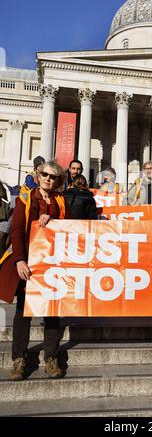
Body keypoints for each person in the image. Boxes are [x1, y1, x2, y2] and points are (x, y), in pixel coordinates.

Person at [0, 161, 72, 380]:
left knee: (52, 311)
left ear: (58, 180)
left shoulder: (60, 200)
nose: (48, 179)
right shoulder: (25, 197)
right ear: (38, 176)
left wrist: (53, 219)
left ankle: (51, 358)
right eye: (45, 175)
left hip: (52, 263)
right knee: (24, 311)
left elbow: (67, 228)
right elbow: (18, 229)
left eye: (53, 176)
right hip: (30, 262)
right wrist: (20, 260)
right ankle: (19, 360)